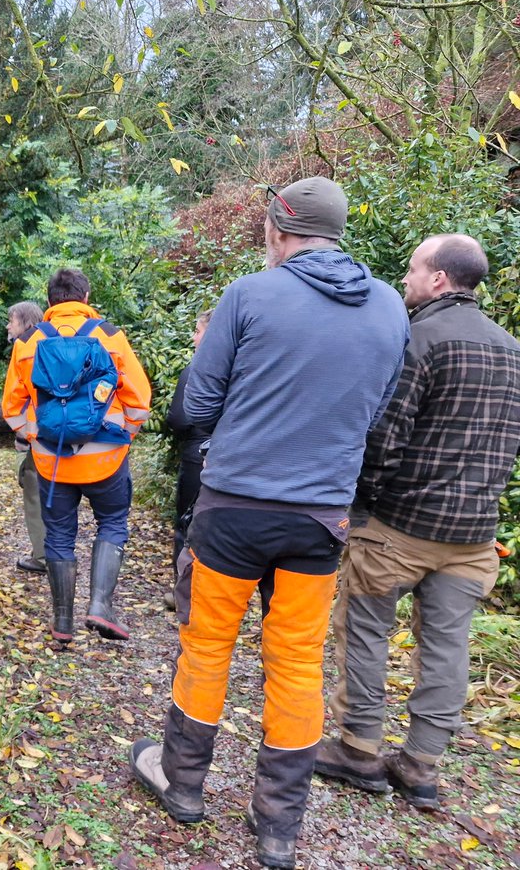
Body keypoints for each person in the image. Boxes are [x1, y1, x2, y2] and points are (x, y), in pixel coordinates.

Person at [129, 177, 410, 870]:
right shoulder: (390, 307)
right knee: (295, 663)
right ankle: (279, 825)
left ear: (277, 229)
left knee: (208, 646)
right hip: (321, 519)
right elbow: (377, 416)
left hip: (234, 510)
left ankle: (184, 784)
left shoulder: (249, 295)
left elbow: (196, 405)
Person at [314, 234, 520, 811]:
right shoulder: (513, 349)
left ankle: (358, 749)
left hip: (401, 525)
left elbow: (383, 435)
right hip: (474, 534)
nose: (404, 280)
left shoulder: (421, 338)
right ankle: (422, 764)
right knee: (448, 648)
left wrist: (364, 503)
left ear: (437, 279)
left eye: (410, 270)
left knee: (364, 629)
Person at [1, 268, 151, 643]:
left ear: (50, 302)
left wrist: (35, 438)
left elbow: (12, 407)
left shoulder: (29, 341)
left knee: (59, 534)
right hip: (108, 457)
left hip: (52, 458)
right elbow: (140, 397)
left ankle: (62, 622)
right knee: (113, 521)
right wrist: (124, 435)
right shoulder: (110, 336)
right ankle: (100, 605)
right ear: (85, 298)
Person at [164, 308, 214, 610]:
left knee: (187, 525)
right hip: (233, 459)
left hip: (198, 456)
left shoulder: (196, 369)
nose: (194, 337)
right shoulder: (247, 367)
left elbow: (178, 419)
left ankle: (183, 593)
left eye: (197, 331)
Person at [6, 300, 48, 573]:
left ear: (25, 322)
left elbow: (14, 400)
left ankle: (43, 556)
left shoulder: (24, 347)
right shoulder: (54, 341)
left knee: (34, 496)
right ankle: (55, 551)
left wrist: (23, 434)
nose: (8, 325)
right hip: (59, 434)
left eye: (12, 320)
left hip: (35, 438)